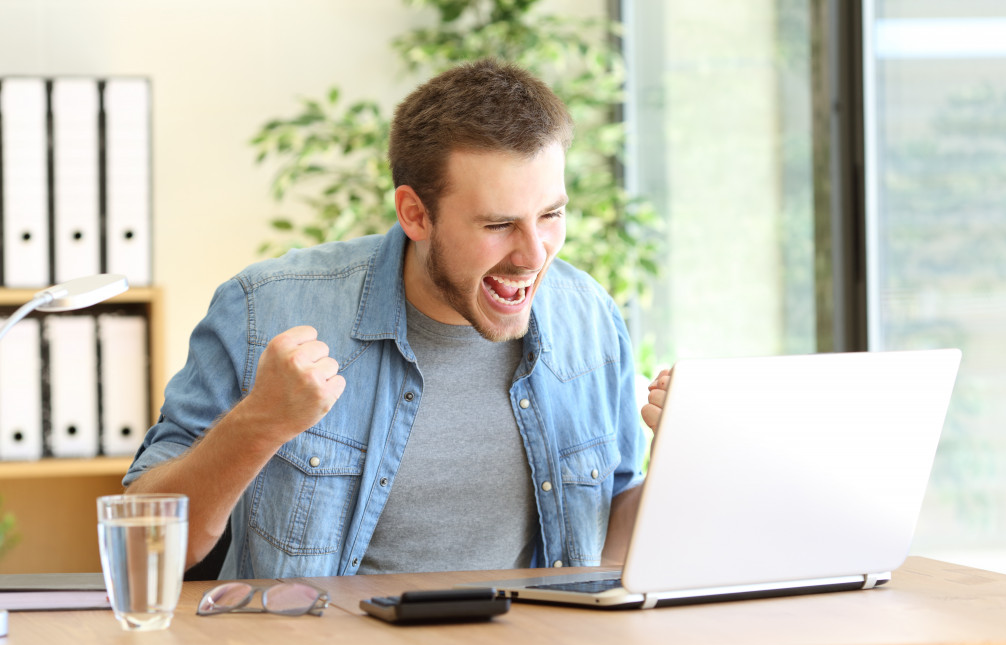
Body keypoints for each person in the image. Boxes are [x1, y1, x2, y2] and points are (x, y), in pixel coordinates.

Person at [125, 58, 665, 580]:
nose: (534, 255)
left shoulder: (589, 317)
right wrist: (260, 423)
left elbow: (609, 542)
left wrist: (676, 456)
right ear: (415, 214)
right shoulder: (264, 308)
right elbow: (138, 551)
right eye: (499, 224)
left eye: (551, 215)